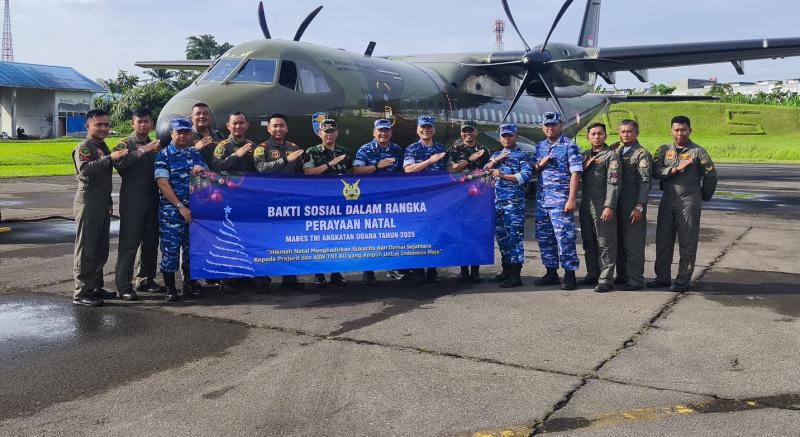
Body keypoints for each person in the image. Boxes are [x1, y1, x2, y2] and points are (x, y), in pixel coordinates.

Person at [648, 116, 717, 292]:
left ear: (690, 131)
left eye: (683, 130)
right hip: (667, 199)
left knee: (687, 241)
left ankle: (682, 280)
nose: (680, 133)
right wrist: (673, 170)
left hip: (689, 200)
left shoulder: (698, 152)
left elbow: (711, 176)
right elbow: (655, 171)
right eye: (676, 130)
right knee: (663, 240)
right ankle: (662, 277)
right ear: (671, 131)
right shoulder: (663, 150)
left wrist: (703, 196)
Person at [71, 110, 128, 307]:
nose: (104, 128)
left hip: (101, 201)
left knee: (100, 246)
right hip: (88, 202)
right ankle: (81, 292)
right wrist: (110, 158)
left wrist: (109, 201)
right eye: (99, 125)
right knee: (86, 248)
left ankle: (95, 286)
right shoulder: (84, 147)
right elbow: (85, 170)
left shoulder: (101, 145)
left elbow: (104, 177)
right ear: (88, 126)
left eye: (106, 124)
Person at [154, 118, 208, 302]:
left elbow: (207, 178)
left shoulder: (195, 153)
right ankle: (170, 288)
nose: (183, 135)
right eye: (179, 132)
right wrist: (180, 206)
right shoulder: (164, 155)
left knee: (191, 250)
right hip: (172, 213)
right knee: (170, 251)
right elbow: (162, 183)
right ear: (172, 134)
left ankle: (190, 283)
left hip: (194, 211)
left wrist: (202, 170)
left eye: (186, 132)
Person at [112, 108, 162, 301]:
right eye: (139, 121)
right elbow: (119, 164)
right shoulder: (124, 144)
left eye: (146, 121)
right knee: (129, 243)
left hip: (153, 198)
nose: (143, 125)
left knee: (151, 242)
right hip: (133, 200)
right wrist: (141, 151)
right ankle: (124, 286)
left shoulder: (156, 145)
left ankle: (146, 279)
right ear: (132, 123)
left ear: (151, 124)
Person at [532, 111, 583, 290]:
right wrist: (540, 164)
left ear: (561, 125)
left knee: (565, 237)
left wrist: (571, 199)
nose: (550, 128)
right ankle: (551, 272)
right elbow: (532, 168)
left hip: (561, 201)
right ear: (542, 127)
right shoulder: (540, 146)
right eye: (547, 125)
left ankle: (570, 275)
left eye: (553, 124)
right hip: (542, 201)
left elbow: (576, 173)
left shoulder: (570, 146)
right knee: (545, 237)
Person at [212, 112, 261, 294]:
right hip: (228, 199)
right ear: (228, 126)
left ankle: (245, 275)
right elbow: (216, 168)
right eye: (235, 123)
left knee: (246, 238)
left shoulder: (253, 146)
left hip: (248, 200)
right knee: (228, 239)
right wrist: (237, 155)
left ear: (247, 125)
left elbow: (259, 170)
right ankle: (227, 278)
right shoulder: (222, 146)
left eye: (241, 123)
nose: (238, 126)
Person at [253, 113, 305, 289]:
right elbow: (261, 169)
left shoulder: (293, 147)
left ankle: (289, 277)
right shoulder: (262, 148)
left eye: (282, 125)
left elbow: (300, 173)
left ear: (287, 128)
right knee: (265, 240)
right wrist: (285, 160)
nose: (278, 129)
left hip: (289, 201)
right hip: (268, 201)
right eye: (274, 126)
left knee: (289, 239)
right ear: (268, 128)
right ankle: (262, 279)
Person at [353, 118, 404, 285]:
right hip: (370, 199)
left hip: (392, 199)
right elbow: (356, 170)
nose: (383, 133)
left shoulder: (396, 149)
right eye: (380, 130)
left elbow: (403, 173)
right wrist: (376, 166)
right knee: (370, 236)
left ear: (391, 133)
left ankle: (393, 267)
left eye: (386, 130)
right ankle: (368, 271)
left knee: (393, 234)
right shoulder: (365, 149)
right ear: (374, 132)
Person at [302, 119, 353, 287]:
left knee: (337, 238)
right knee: (319, 239)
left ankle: (336, 273)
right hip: (319, 201)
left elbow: (351, 175)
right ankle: (319, 274)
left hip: (339, 201)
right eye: (326, 131)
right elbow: (309, 173)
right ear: (320, 133)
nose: (329, 134)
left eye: (332, 131)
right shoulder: (311, 151)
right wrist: (330, 164)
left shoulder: (344, 152)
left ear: (337, 133)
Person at [484, 123, 532, 288]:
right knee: (502, 238)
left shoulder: (522, 155)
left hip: (513, 203)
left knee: (514, 239)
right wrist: (495, 161)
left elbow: (525, 176)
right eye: (504, 136)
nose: (507, 138)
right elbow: (484, 171)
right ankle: (506, 270)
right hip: (497, 203)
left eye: (510, 135)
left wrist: (503, 176)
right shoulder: (496, 155)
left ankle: (515, 275)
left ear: (516, 136)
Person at [403, 115, 450, 283]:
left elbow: (449, 170)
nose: (426, 130)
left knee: (435, 231)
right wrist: (430, 161)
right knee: (418, 232)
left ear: (434, 130)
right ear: (417, 130)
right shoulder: (412, 149)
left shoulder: (440, 148)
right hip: (419, 198)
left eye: (429, 127)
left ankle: (432, 268)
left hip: (437, 198)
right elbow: (409, 169)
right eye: (423, 127)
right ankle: (418, 269)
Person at [578, 123, 620, 293]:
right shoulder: (584, 155)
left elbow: (614, 184)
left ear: (605, 136)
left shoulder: (611, 156)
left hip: (602, 204)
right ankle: (592, 274)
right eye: (593, 134)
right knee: (588, 241)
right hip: (585, 204)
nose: (596, 137)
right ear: (588, 137)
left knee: (605, 242)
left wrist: (609, 206)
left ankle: (606, 279)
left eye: (600, 134)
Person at [449, 120, 491, 283]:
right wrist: (469, 159)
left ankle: (475, 271)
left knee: (476, 233)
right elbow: (451, 168)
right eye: (464, 131)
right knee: (461, 232)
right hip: (460, 197)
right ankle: (463, 271)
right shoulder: (454, 149)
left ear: (476, 132)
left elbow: (489, 170)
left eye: (470, 130)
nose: (467, 133)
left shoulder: (485, 150)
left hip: (479, 197)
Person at [614, 120, 652, 291]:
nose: (625, 134)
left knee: (633, 243)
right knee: (620, 242)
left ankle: (635, 279)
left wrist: (640, 206)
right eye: (622, 131)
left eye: (629, 131)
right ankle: (623, 276)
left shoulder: (641, 154)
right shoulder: (617, 151)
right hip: (618, 203)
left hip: (633, 202)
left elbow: (645, 183)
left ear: (636, 133)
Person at [191, 102, 225, 167]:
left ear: (210, 117)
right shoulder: (184, 136)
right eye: (198, 114)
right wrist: (194, 150)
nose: (202, 116)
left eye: (205, 114)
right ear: (192, 118)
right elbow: (176, 160)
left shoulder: (218, 135)